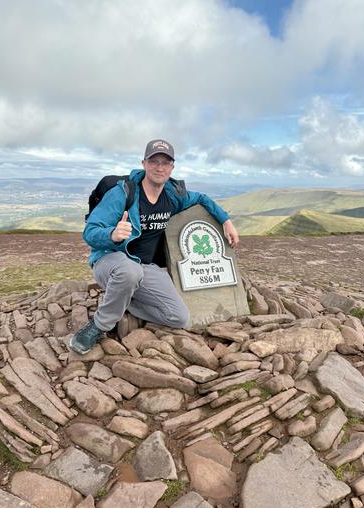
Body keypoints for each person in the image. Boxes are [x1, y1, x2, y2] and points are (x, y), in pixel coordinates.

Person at [69, 139, 239, 355]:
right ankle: (99, 326)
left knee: (178, 317)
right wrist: (112, 234)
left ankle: (122, 301)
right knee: (129, 271)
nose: (160, 167)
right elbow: (90, 232)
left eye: (165, 163)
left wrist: (225, 220)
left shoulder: (172, 195)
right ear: (144, 163)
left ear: (172, 168)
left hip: (145, 267)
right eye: (154, 161)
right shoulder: (123, 193)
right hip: (110, 261)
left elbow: (201, 198)